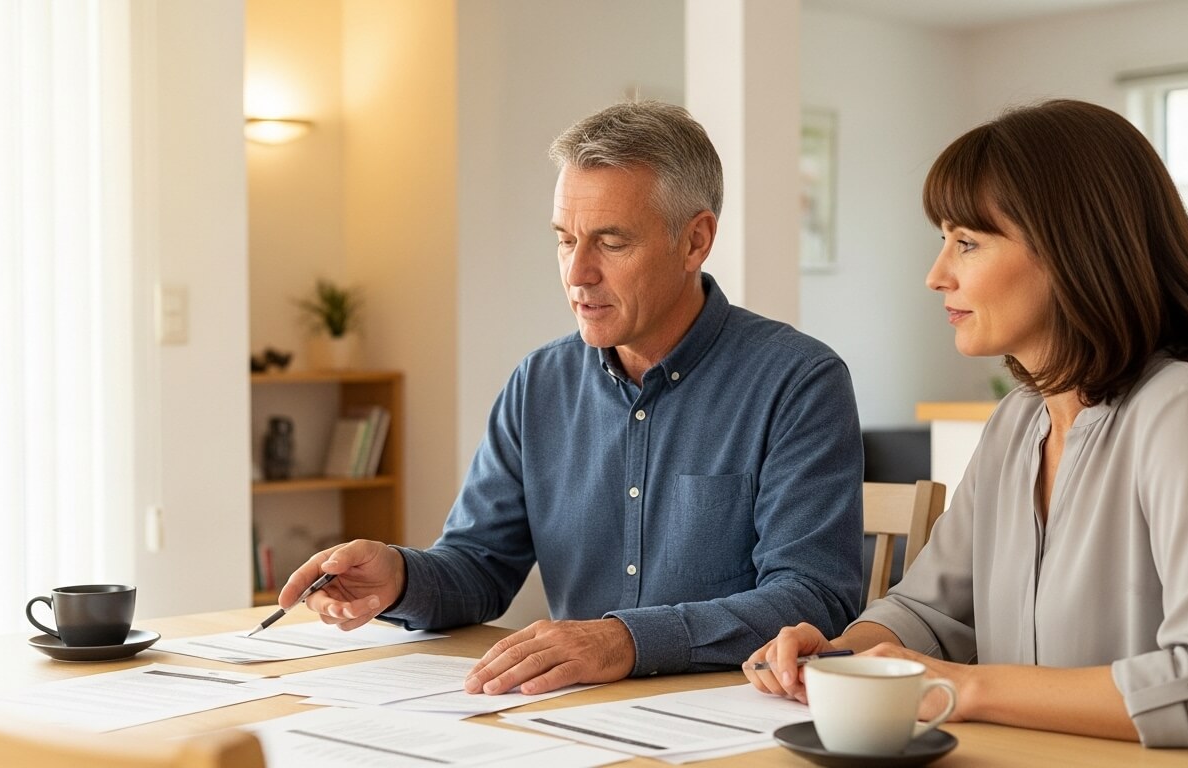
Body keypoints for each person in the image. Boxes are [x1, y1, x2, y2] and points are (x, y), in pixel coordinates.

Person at [278, 100, 865, 696]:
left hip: (733, 717)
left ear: (695, 242)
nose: (577, 273)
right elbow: (480, 565)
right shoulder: (539, 383)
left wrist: (625, 640)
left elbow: (813, 597)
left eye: (611, 243)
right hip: (574, 718)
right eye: (565, 241)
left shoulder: (799, 381)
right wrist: (399, 577)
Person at [745, 99, 1188, 749]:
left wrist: (964, 688)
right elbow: (929, 611)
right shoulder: (1016, 422)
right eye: (942, 240)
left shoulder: (1184, 410)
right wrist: (840, 656)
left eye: (967, 242)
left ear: (1071, 249)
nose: (936, 274)